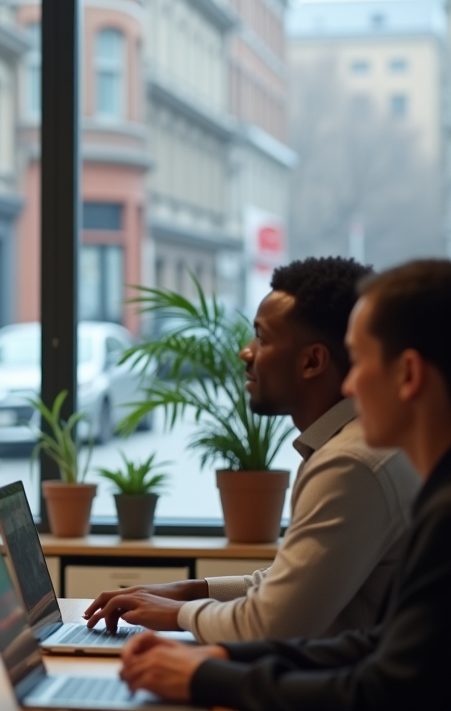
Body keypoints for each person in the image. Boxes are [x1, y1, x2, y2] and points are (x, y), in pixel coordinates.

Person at [119, 258, 451, 710]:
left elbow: (381, 684)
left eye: (361, 363)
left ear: (408, 375)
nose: (350, 383)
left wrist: (206, 675)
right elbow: (377, 643)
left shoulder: (359, 465)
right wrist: (221, 651)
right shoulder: (428, 487)